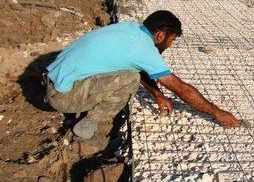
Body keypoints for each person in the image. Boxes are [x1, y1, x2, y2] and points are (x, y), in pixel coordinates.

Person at [44, 10, 240, 152]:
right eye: (171, 41)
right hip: (62, 95)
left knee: (129, 72)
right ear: (160, 35)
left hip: (54, 79)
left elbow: (135, 64)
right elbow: (181, 89)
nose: (170, 46)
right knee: (130, 79)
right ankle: (86, 128)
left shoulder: (130, 29)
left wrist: (157, 94)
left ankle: (83, 111)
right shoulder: (144, 49)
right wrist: (216, 112)